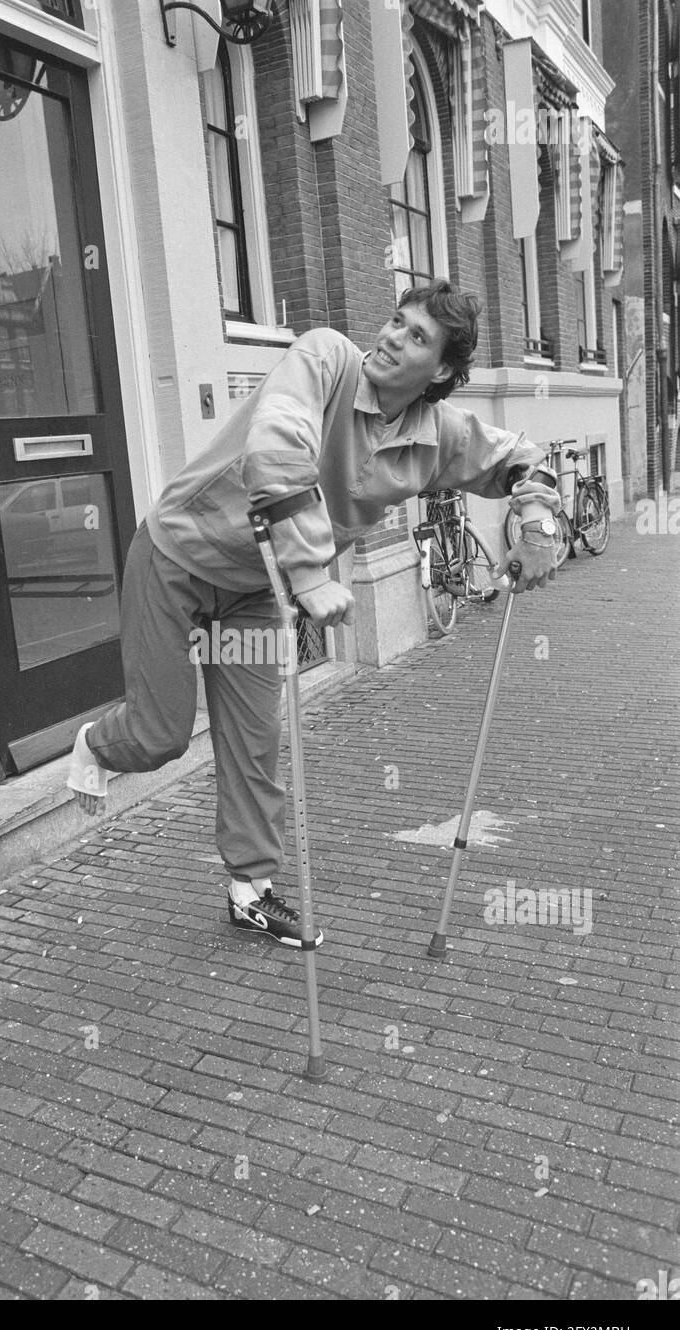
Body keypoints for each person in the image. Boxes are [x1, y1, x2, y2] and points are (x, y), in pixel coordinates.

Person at [66, 281, 562, 949]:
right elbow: (277, 446)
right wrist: (307, 571)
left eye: (417, 336)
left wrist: (536, 524)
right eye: (396, 321)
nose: (391, 337)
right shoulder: (325, 360)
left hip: (250, 594)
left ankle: (250, 890)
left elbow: (518, 457)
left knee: (255, 741)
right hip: (177, 559)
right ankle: (96, 745)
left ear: (441, 370)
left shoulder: (435, 436)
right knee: (159, 736)